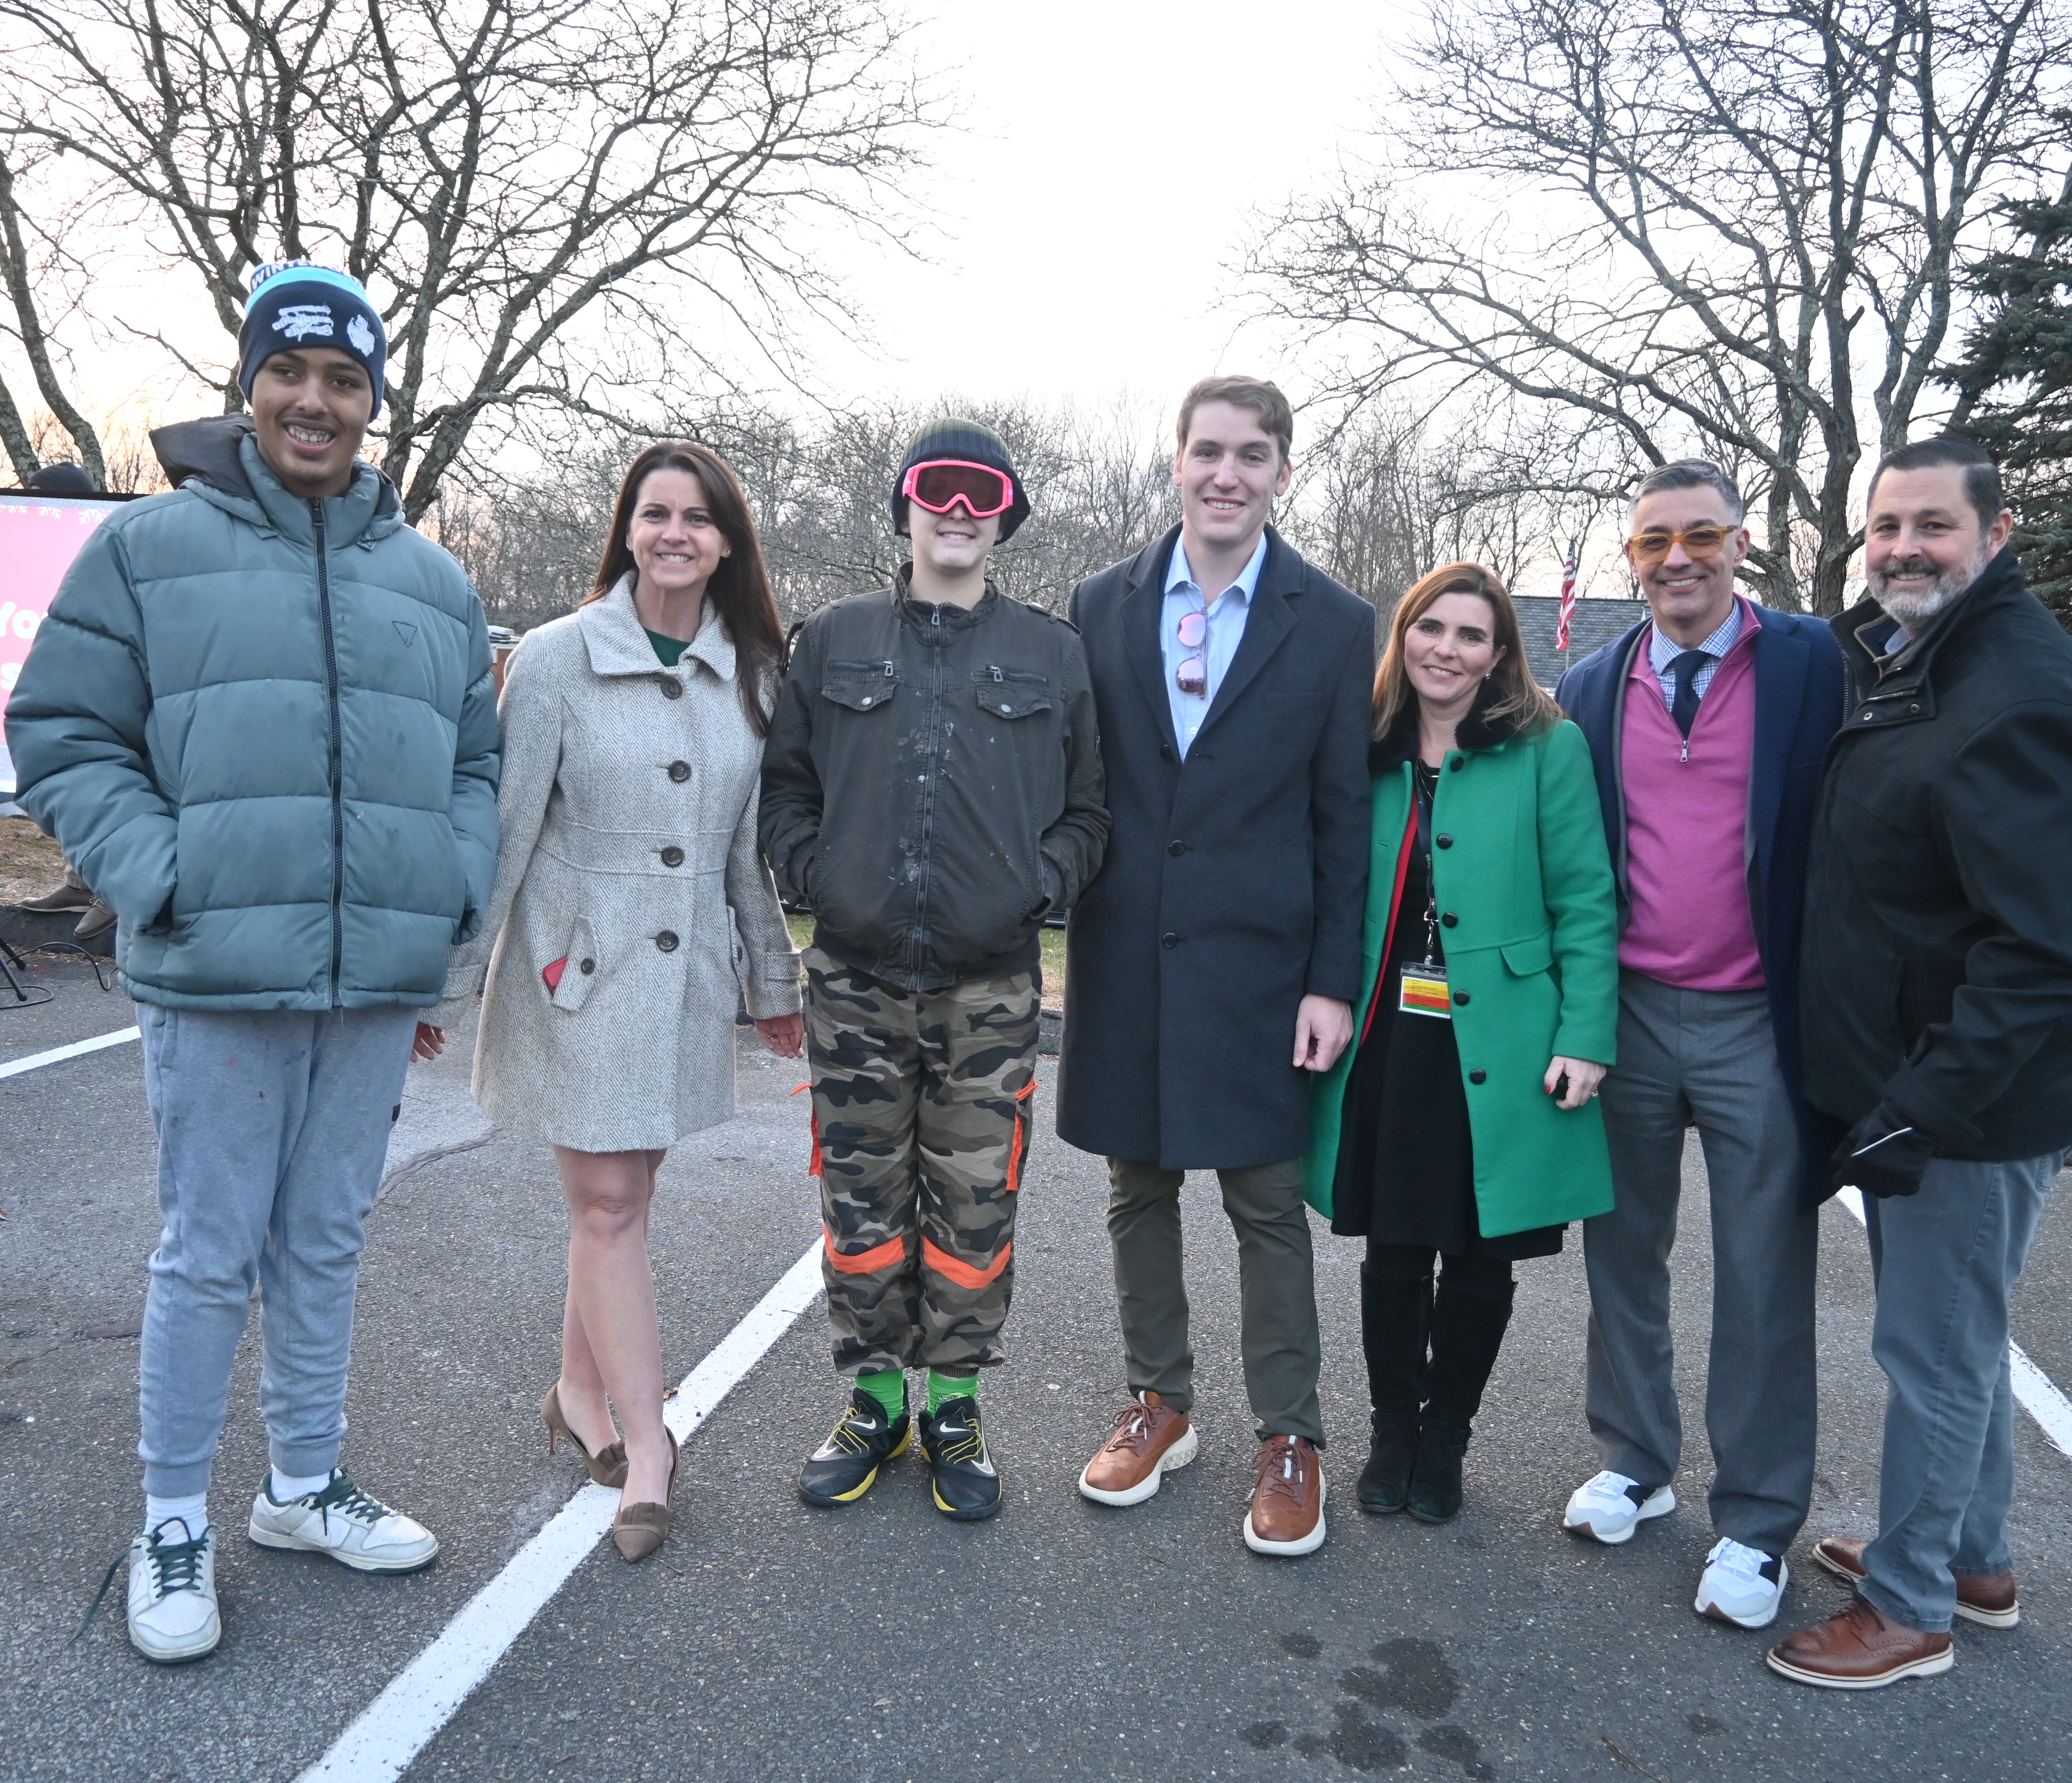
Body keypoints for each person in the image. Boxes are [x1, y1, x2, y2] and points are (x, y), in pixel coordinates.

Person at [6, 261, 500, 1664]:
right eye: (291, 372)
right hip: (215, 976)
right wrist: (164, 874)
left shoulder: (432, 581)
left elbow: (477, 764)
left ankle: (298, 1488)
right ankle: (174, 1518)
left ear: (372, 407)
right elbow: (61, 729)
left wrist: (445, 892)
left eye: (345, 381)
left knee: (327, 1244)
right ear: (250, 384)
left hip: (370, 981)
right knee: (209, 1254)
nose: (315, 401)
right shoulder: (150, 550)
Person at [1767, 437, 2072, 1690]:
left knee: (1930, 1355)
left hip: (1971, 1105)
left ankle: (1914, 1606)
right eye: (1886, 529)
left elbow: (2047, 957)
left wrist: (1918, 1108)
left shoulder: (2018, 696)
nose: (1904, 549)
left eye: (1932, 526)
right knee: (1955, 1343)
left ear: (1998, 533)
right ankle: (1973, 1556)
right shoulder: (1922, 659)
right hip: (1918, 1085)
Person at [441, 440, 804, 1563]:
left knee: (623, 1200)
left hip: (685, 974)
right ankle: (649, 1447)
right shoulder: (553, 660)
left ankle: (573, 1393)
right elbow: (502, 834)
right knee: (605, 1204)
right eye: (654, 513)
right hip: (577, 976)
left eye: (698, 518)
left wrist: (770, 982)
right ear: (628, 529)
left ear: (728, 542)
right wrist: (447, 985)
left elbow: (746, 856)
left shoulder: (754, 671)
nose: (674, 534)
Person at [758, 421, 1108, 1521]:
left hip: (990, 988)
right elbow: (785, 789)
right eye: (935, 490)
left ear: (1004, 515)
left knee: (971, 1209)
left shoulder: (1054, 656)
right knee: (861, 1204)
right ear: (904, 505)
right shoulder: (833, 642)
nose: (957, 510)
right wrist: (815, 874)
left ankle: (952, 1404)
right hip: (854, 981)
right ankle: (872, 1401)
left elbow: (1091, 812)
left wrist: (1035, 888)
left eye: (980, 493)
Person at [1062, 376, 1375, 1557]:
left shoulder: (1337, 625)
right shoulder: (1097, 606)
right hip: (1127, 951)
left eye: (1252, 455)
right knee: (1135, 1187)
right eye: (1207, 452)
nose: (1226, 474)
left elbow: (1344, 820)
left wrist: (1330, 981)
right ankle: (1160, 1401)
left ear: (1282, 473)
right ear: (1178, 463)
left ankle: (1289, 1436)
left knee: (1263, 1203)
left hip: (1263, 969)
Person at [1549, 461, 1848, 1631]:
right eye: (1652, 540)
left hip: (1756, 1024)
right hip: (1625, 1015)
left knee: (1764, 1275)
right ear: (1630, 556)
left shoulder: (1811, 664)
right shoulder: (1589, 681)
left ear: (1738, 542)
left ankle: (1757, 1521)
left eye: (1701, 535)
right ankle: (1633, 1457)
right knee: (1623, 1252)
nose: (1677, 558)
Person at [1302, 563, 1617, 1527]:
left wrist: (1586, 1033)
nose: (1448, 648)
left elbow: (1587, 900)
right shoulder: (1367, 746)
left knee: (1482, 1254)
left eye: (1472, 635)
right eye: (1431, 628)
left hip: (1509, 1036)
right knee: (1395, 1244)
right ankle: (1394, 1427)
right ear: (1404, 638)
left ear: (1499, 654)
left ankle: (1447, 1435)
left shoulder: (1546, 748)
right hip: (1390, 1033)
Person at [13, 462, 116, 941]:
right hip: (53, 668)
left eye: (42, 495)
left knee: (98, 775)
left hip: (97, 674)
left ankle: (111, 888)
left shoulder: (101, 540)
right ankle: (80, 883)